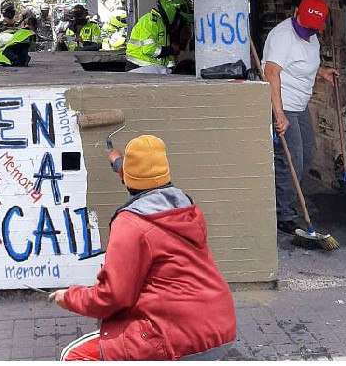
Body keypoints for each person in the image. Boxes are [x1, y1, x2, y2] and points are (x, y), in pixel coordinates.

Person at [53, 135, 236, 360]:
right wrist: (117, 162)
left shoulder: (131, 224)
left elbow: (112, 297)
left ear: (131, 178)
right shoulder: (186, 209)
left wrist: (69, 297)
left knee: (74, 355)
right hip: (219, 325)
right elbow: (146, 183)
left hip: (178, 336)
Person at [262, 0, 338, 235]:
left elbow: (301, 66)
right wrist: (279, 114)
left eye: (312, 29)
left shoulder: (312, 35)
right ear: (296, 12)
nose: (306, 31)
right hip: (282, 104)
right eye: (304, 26)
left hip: (300, 105)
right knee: (291, 157)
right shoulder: (283, 37)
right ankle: (281, 213)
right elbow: (271, 72)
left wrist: (321, 72)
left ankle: (288, 200)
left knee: (307, 153)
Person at [126, 0, 193, 73]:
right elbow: (149, 49)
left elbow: (166, 61)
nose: (177, 23)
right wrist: (171, 50)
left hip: (152, 69)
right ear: (172, 11)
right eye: (178, 19)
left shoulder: (162, 25)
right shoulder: (150, 21)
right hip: (140, 69)